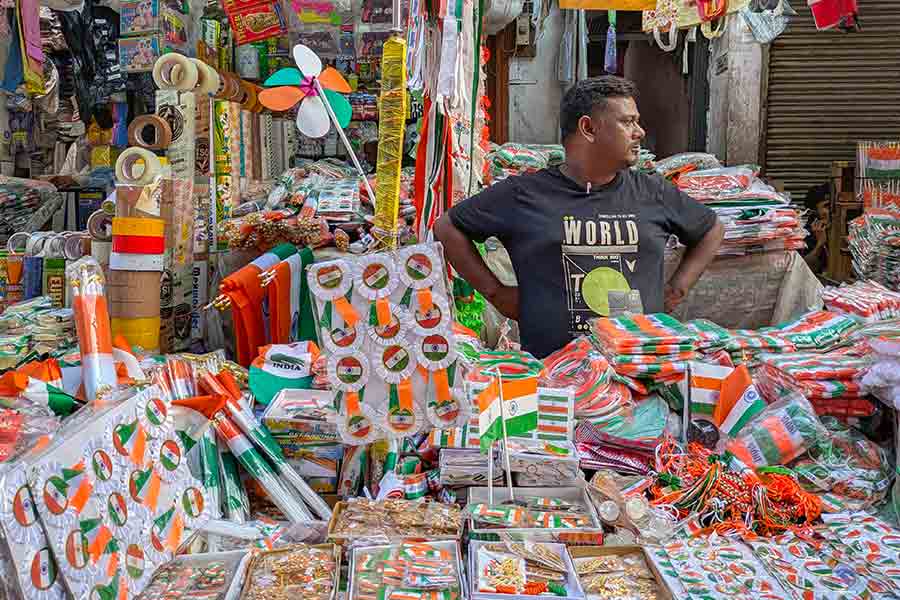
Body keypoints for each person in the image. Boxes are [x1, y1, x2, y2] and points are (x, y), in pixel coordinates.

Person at [434, 76, 725, 359]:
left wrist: (677, 289)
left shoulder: (653, 191)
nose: (639, 132)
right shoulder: (524, 194)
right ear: (588, 128)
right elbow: (447, 228)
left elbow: (711, 228)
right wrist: (496, 293)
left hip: (637, 368)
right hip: (555, 373)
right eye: (627, 122)